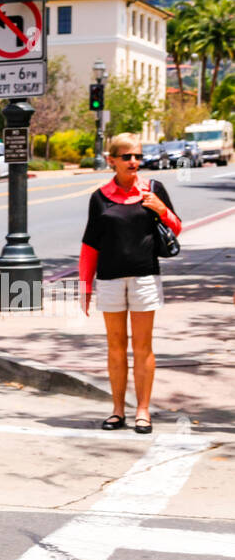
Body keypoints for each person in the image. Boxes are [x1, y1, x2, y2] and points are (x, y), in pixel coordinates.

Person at [79, 132, 182, 435]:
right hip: (109, 279)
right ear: (112, 161)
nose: (134, 162)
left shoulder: (154, 189)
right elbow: (90, 245)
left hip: (145, 277)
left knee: (143, 347)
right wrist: (85, 286)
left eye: (138, 156)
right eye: (126, 157)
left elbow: (175, 227)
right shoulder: (99, 198)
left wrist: (160, 209)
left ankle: (143, 410)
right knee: (115, 347)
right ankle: (117, 410)